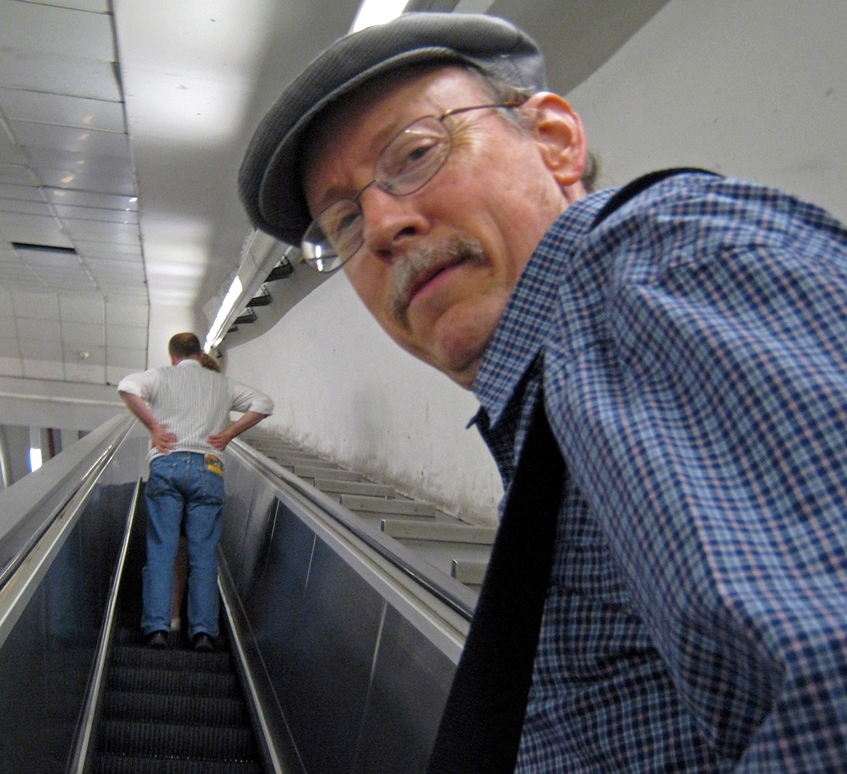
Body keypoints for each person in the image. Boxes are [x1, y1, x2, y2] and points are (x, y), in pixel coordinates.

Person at [238, 12, 847, 772]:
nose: (385, 223)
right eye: (344, 222)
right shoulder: (557, 383)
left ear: (556, 142)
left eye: (416, 153)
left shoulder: (649, 273)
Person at [119, 332, 273, 652]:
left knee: (162, 549)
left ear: (172, 355)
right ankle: (203, 632)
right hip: (209, 468)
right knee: (203, 554)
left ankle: (158, 629)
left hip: (168, 464)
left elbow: (128, 387)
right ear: (201, 354)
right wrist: (229, 433)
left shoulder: (162, 376)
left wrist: (154, 428)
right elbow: (264, 403)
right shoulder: (221, 384)